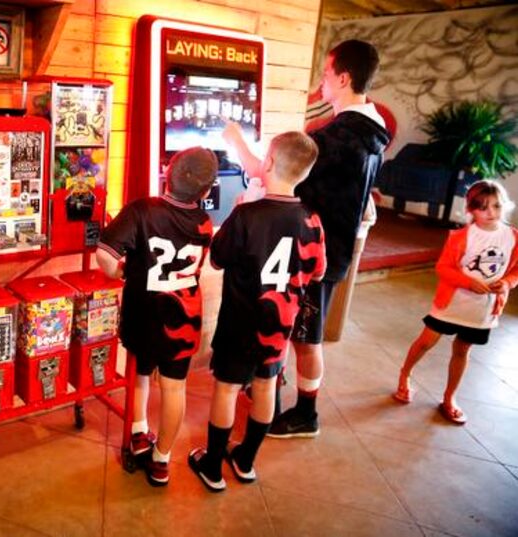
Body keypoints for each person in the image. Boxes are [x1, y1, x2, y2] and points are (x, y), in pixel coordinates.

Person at [223, 39, 391, 438]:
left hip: (312, 253)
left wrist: (236, 142)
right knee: (297, 332)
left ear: (344, 78)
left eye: (327, 74)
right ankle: (273, 392)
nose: (321, 82)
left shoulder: (339, 137)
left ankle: (306, 414)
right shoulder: (374, 130)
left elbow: (273, 173)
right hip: (328, 249)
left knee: (305, 339)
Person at [188, 132, 326, 491]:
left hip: (240, 322)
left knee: (227, 389)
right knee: (266, 386)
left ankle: (213, 467)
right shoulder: (311, 220)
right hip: (279, 325)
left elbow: (217, 259)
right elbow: (318, 270)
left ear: (267, 163)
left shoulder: (247, 214)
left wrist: (236, 208)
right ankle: (246, 460)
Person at [96, 146, 217, 486]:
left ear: (167, 172)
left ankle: (137, 432)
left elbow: (104, 256)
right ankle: (162, 459)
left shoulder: (141, 210)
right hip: (184, 317)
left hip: (144, 313)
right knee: (175, 388)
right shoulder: (204, 222)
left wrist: (121, 272)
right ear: (207, 191)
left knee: (139, 373)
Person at [394, 180, 518, 424]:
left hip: (482, 311)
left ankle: (449, 398)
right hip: (451, 304)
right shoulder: (462, 236)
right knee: (425, 342)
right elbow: (443, 267)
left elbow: (515, 272)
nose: (491, 213)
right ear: (471, 209)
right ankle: (404, 376)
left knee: (462, 350)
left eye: (496, 206)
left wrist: (506, 284)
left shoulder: (513, 237)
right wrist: (467, 282)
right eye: (483, 208)